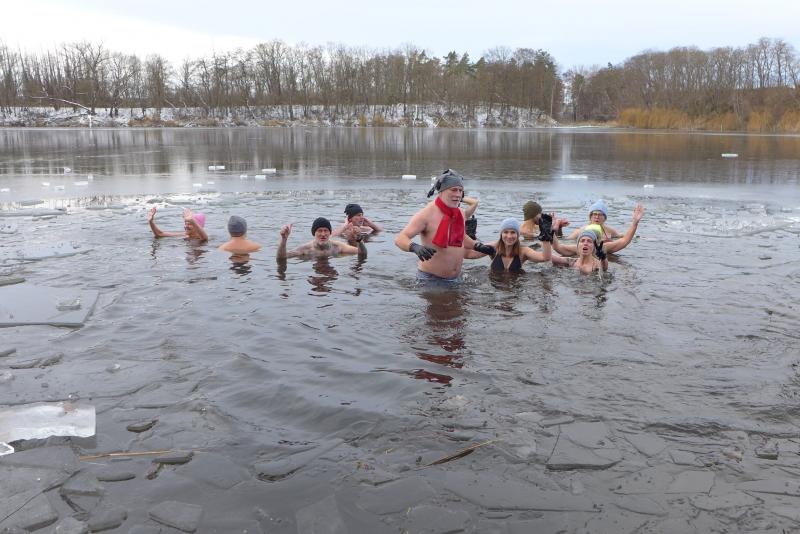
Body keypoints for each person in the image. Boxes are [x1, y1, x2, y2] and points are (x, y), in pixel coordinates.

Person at [394, 169, 494, 282]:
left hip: (456, 279)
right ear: (441, 191)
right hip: (431, 280)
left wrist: (477, 246)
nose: (458, 194)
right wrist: (415, 247)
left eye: (460, 190)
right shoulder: (426, 214)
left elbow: (460, 236)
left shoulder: (459, 213)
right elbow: (400, 238)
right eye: (453, 190)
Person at [553, 203, 645, 259]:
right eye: (594, 214)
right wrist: (554, 230)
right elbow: (560, 243)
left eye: (600, 215)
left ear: (605, 217)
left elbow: (624, 239)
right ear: (590, 217)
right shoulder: (580, 236)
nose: (597, 217)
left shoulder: (604, 246)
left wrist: (635, 223)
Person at [464, 218, 553, 272]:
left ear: (518, 235)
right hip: (495, 290)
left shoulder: (523, 251)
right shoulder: (493, 248)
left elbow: (545, 258)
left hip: (515, 289)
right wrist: (469, 237)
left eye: (513, 232)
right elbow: (467, 254)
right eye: (506, 232)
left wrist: (545, 238)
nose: (509, 236)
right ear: (501, 234)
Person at [277, 217, 366, 259]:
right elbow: (282, 257)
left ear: (330, 233)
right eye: (319, 231)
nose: (323, 234)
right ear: (314, 233)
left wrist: (359, 240)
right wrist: (284, 240)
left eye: (326, 231)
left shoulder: (337, 247)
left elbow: (362, 253)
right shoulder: (305, 249)